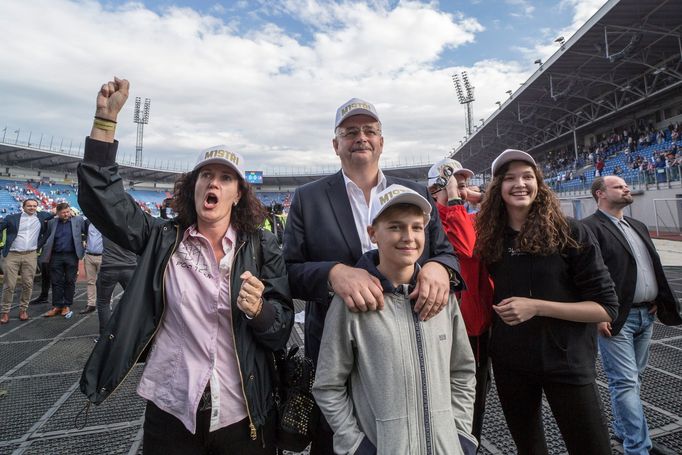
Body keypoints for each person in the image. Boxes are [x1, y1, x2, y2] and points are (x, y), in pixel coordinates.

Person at [78, 77, 293, 454]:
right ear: (193, 186)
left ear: (238, 193)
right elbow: (102, 199)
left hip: (241, 413)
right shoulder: (161, 239)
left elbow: (279, 330)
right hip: (171, 409)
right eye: (206, 175)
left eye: (226, 178)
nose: (214, 182)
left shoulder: (262, 246)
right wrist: (105, 123)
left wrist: (259, 311)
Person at [283, 98, 460, 454]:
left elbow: (446, 253)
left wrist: (441, 268)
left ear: (381, 141)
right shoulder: (307, 198)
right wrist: (334, 273)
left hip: (410, 347)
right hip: (337, 354)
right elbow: (287, 273)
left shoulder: (416, 193)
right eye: (350, 132)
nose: (360, 137)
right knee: (337, 443)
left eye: (369, 131)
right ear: (336, 145)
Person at [313, 185, 477, 455]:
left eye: (416, 227)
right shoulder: (351, 302)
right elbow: (328, 386)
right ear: (373, 234)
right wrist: (354, 445)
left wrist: (459, 434)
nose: (408, 237)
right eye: (395, 227)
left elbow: (462, 371)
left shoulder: (442, 297)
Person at [474, 149, 619, 455]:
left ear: (539, 183)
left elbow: (606, 307)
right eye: (510, 178)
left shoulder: (571, 232)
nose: (520, 184)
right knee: (530, 449)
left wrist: (536, 306)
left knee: (592, 448)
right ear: (498, 187)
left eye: (527, 176)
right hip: (511, 364)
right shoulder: (489, 238)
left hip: (566, 361)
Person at [583, 176, 681, 455]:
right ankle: (638, 448)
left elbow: (652, 264)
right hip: (615, 319)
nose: (626, 188)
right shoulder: (590, 228)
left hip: (646, 314)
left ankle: (623, 431)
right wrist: (598, 312)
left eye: (626, 185)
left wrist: (657, 298)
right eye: (618, 186)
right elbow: (587, 273)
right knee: (625, 382)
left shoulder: (637, 225)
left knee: (632, 380)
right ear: (600, 194)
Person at [427, 158, 493, 444]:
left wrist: (482, 197)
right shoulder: (432, 221)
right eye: (456, 185)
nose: (462, 191)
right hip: (450, 326)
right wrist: (454, 198)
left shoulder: (467, 217)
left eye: (465, 185)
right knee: (444, 396)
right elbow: (466, 248)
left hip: (478, 326)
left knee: (475, 398)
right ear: (434, 190)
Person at [0, 198, 54, 323]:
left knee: (28, 284)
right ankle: (5, 312)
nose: (32, 208)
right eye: (29, 206)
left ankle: (23, 310)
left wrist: (39, 245)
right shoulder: (11, 217)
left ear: (37, 207)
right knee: (9, 285)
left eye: (34, 206)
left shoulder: (42, 216)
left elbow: (56, 213)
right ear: (23, 206)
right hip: (12, 255)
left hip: (30, 255)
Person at [41, 203, 86, 319]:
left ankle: (66, 305)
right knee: (56, 281)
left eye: (67, 211)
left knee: (70, 281)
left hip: (72, 255)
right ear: (58, 213)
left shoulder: (79, 220)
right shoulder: (52, 223)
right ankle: (57, 305)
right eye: (63, 213)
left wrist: (85, 246)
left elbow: (87, 232)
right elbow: (46, 236)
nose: (66, 214)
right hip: (56, 256)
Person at [94, 234, 138, 336]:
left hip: (109, 267)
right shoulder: (132, 225)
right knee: (133, 302)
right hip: (129, 267)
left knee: (103, 302)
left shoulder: (106, 223)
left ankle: (105, 337)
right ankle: (131, 334)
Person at [80, 219, 103, 314]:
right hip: (89, 256)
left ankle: (107, 304)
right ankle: (91, 304)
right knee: (90, 282)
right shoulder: (88, 223)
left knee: (104, 283)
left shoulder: (107, 223)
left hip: (103, 256)